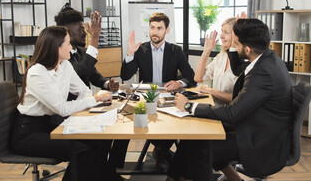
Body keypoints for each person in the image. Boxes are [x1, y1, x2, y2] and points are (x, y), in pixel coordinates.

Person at [168, 18, 293, 181]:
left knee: (199, 149)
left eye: (237, 43)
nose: (234, 44)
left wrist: (190, 107)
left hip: (259, 141)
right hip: (256, 128)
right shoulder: (267, 59)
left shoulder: (263, 74)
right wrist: (234, 41)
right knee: (192, 138)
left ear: (247, 49)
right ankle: (174, 178)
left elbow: (233, 112)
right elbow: (239, 68)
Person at [10, 26, 121, 181]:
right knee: (82, 151)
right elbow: (62, 108)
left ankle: (104, 176)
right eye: (68, 43)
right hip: (28, 133)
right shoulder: (37, 72)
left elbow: (83, 90)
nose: (71, 47)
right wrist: (95, 99)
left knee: (99, 139)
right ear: (56, 47)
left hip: (51, 125)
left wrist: (89, 98)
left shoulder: (64, 65)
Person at [120, 12, 196, 171]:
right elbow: (125, 75)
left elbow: (191, 77)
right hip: (146, 98)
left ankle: (161, 149)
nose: (155, 32)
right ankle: (162, 150)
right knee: (145, 121)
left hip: (169, 99)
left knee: (174, 123)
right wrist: (130, 53)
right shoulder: (140, 49)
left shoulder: (175, 50)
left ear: (167, 30)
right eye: (152, 27)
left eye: (159, 28)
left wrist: (178, 82)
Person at [54, 3, 119, 98]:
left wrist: (108, 84)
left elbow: (94, 75)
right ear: (68, 33)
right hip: (71, 108)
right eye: (81, 30)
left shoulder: (81, 51)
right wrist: (95, 37)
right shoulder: (61, 56)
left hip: (85, 104)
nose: (85, 33)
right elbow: (81, 73)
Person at [194, 17, 238, 105]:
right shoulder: (221, 57)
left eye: (226, 32)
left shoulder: (244, 63)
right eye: (222, 31)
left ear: (237, 36)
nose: (221, 35)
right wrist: (206, 51)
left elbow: (238, 99)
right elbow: (198, 78)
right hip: (215, 110)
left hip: (231, 114)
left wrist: (210, 91)